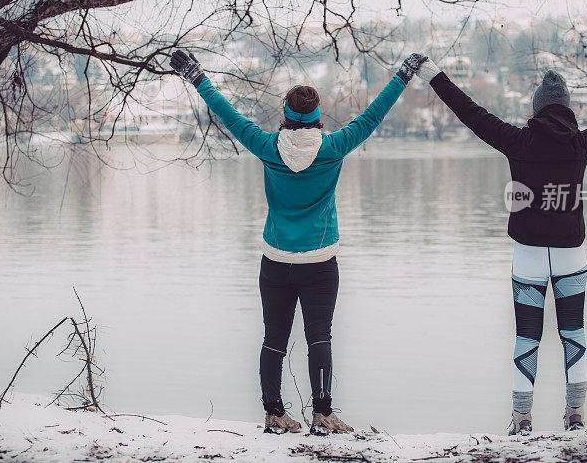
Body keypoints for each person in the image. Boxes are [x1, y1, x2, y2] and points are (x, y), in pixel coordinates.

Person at [414, 38, 587, 435]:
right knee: (574, 334)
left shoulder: (518, 142)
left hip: (528, 256)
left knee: (526, 337)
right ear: (567, 109)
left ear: (535, 110)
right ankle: (576, 417)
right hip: (572, 257)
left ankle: (521, 420)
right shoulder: (581, 144)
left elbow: (471, 113)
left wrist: (435, 76)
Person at [170, 49, 427, 435]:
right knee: (319, 337)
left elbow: (227, 113)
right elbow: (374, 114)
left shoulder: (267, 146)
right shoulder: (334, 147)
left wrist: (196, 76)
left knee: (273, 337)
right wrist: (403, 75)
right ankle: (321, 416)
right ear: (317, 115)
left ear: (285, 115)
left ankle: (274, 414)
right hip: (320, 262)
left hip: (275, 261)